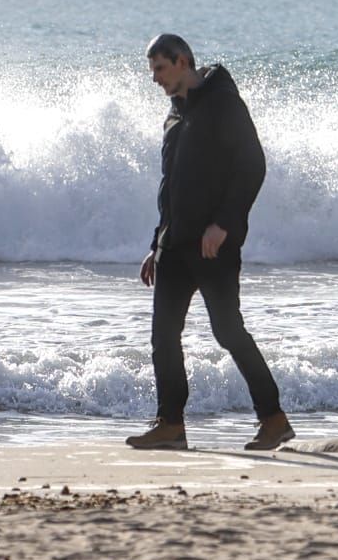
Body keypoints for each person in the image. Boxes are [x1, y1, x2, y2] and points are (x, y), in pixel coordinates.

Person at [125, 34, 295, 451]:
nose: (155, 79)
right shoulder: (174, 114)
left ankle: (273, 419)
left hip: (211, 243)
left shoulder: (223, 103)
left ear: (183, 61)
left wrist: (224, 223)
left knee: (228, 331)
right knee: (163, 335)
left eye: (160, 69)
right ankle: (170, 424)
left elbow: (253, 165)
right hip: (174, 243)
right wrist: (156, 241)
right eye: (152, 71)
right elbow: (170, 186)